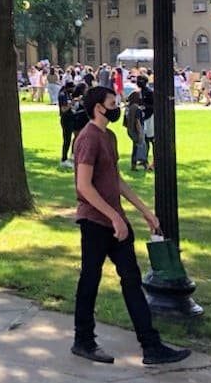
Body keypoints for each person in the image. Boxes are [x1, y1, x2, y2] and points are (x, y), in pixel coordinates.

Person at [70, 86, 190, 366]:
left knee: (132, 281)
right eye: (112, 103)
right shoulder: (88, 138)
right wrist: (112, 217)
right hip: (95, 222)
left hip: (115, 221)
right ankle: (83, 340)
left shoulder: (109, 137)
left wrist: (144, 211)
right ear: (99, 107)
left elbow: (116, 180)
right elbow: (83, 186)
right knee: (90, 280)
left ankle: (151, 346)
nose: (117, 106)